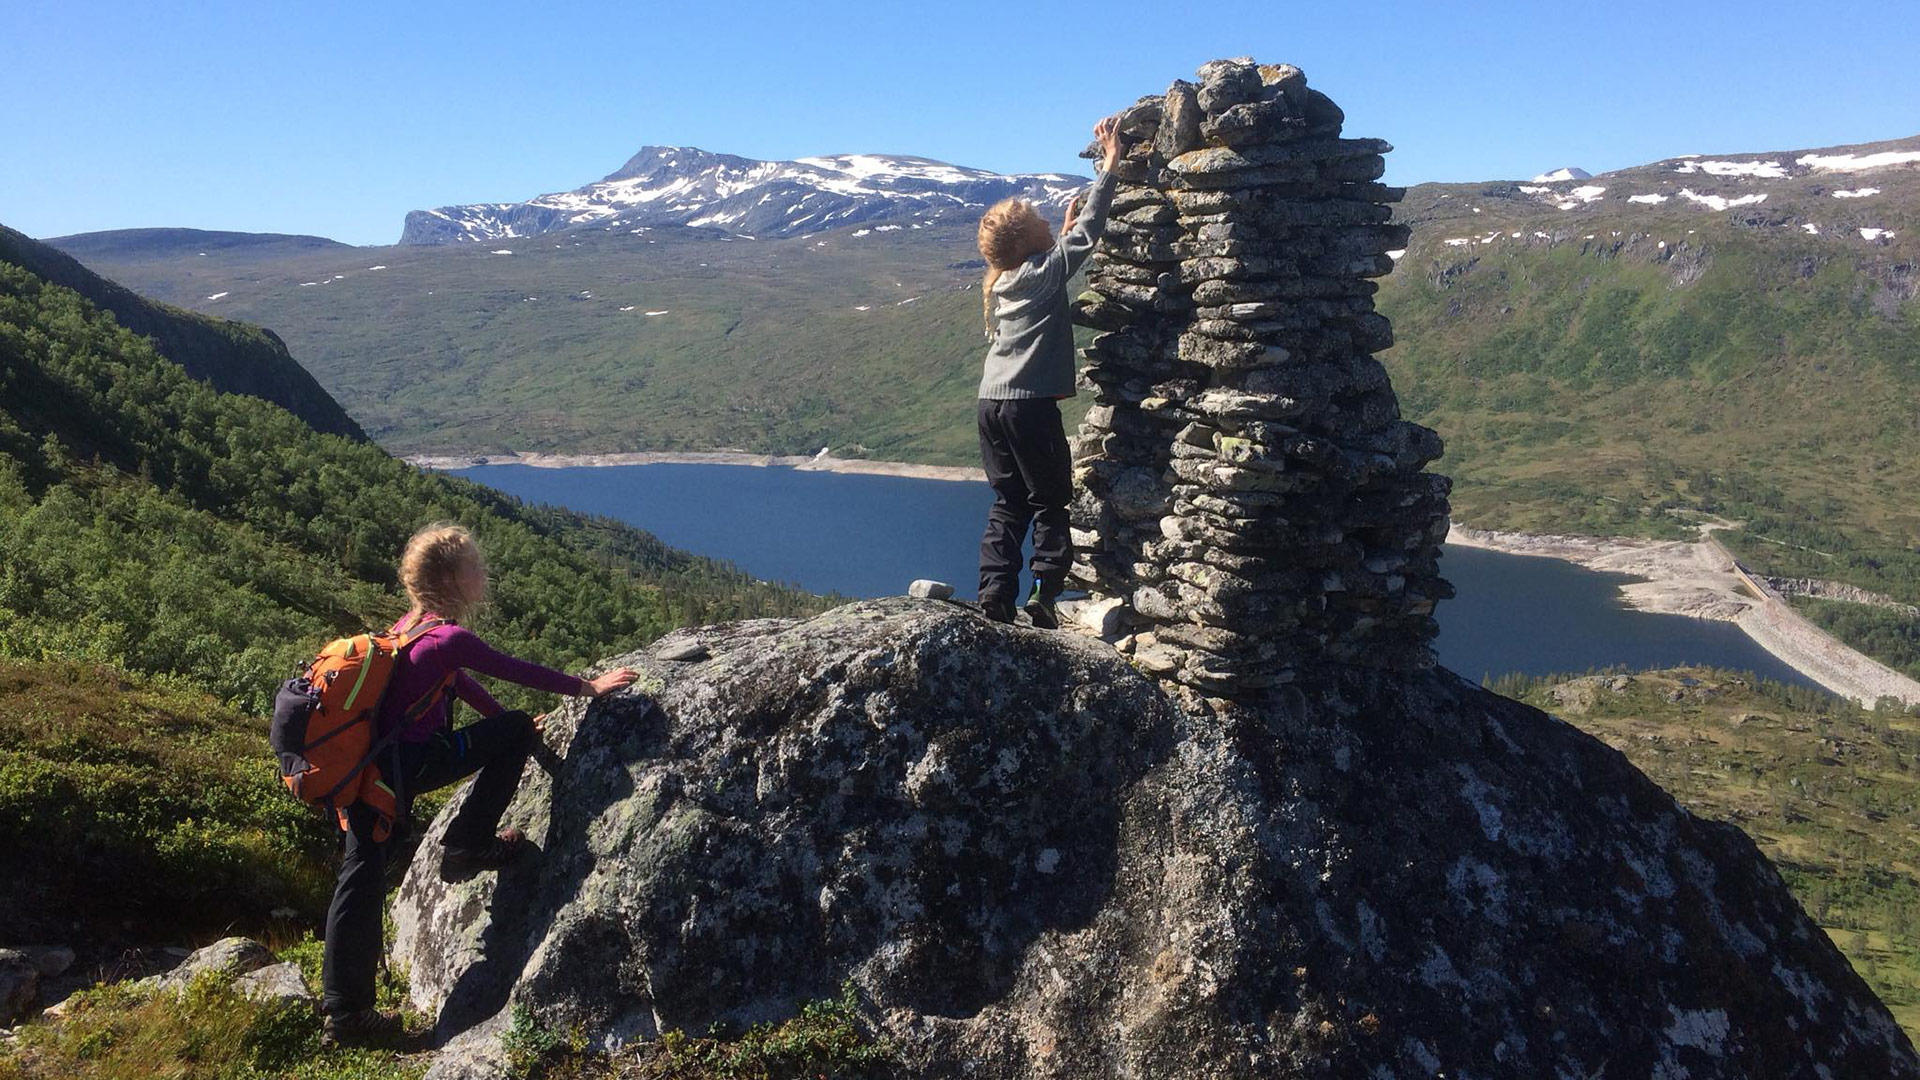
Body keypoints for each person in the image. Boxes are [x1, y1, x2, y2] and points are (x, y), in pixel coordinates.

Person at [321, 522, 639, 1043]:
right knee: (360, 879)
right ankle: (468, 846)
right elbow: (512, 668)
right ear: (450, 578)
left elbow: (457, 682)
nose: (484, 573)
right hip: (405, 767)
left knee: (358, 878)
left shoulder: (412, 625)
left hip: (372, 769)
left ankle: (346, 1012)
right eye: (475, 566)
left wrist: (503, 720)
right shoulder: (450, 637)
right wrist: (588, 687)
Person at [973, 115, 1122, 628]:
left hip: (989, 404)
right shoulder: (1044, 269)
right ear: (1029, 243)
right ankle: (1042, 596)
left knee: (1008, 501)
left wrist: (1056, 235)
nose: (1043, 220)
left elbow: (1059, 251)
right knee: (1052, 500)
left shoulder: (1010, 278)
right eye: (1038, 221)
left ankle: (993, 596)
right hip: (1028, 407)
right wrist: (1111, 162)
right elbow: (1093, 227)